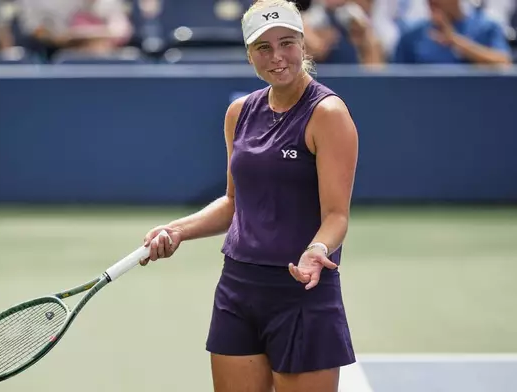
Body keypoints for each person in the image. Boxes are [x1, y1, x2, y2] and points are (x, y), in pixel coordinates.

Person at [141, 0, 359, 391]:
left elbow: (337, 215)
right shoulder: (239, 112)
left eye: (287, 43)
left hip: (302, 290)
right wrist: (177, 230)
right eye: (263, 47)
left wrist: (317, 250)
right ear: (249, 55)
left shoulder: (328, 114)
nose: (277, 57)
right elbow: (233, 203)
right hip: (238, 289)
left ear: (303, 44)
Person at [393, 0, 512, 65]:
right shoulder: (411, 36)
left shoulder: (487, 27)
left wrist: (455, 41)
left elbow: (503, 63)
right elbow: (394, 82)